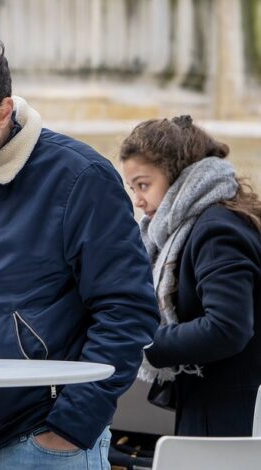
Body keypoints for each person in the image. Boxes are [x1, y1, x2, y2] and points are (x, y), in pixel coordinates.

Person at [0, 28, 159, 469]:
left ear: (3, 112)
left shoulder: (80, 179)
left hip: (45, 443)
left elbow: (127, 309)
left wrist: (71, 426)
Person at [119, 115, 261, 437]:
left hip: (231, 423)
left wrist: (140, 342)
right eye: (133, 188)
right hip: (217, 414)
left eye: (143, 184)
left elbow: (228, 327)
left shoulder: (216, 230)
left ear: (178, 176)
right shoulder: (201, 225)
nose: (138, 200)